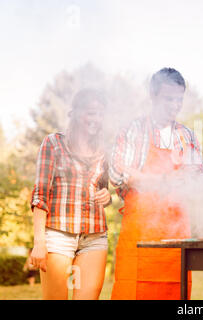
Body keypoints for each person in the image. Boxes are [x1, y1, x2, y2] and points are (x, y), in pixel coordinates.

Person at [109, 67, 203, 300]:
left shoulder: (187, 136)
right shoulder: (134, 130)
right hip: (139, 233)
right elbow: (118, 172)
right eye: (168, 99)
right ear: (153, 96)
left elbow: (200, 178)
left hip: (177, 233)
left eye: (178, 99)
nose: (174, 105)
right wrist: (162, 180)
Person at [29, 88, 111, 300]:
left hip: (95, 237)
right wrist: (39, 243)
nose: (96, 119)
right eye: (91, 113)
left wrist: (107, 197)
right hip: (58, 236)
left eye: (100, 114)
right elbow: (40, 195)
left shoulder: (104, 150)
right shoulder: (53, 143)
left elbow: (104, 189)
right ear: (75, 113)